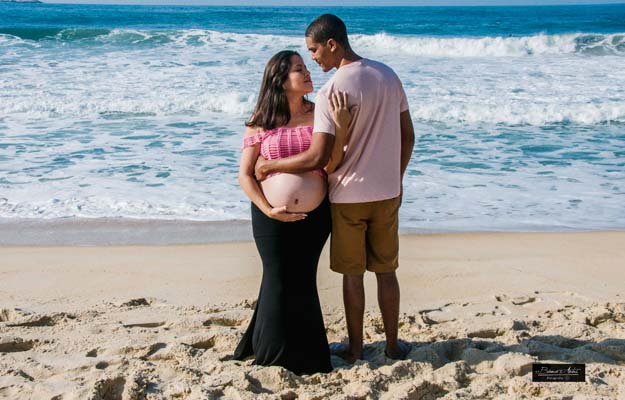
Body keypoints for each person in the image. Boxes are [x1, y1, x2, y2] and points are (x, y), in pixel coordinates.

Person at [254, 14, 416, 363]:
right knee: (387, 271)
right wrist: (397, 179)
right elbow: (409, 137)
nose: (312, 58)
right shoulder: (388, 75)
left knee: (352, 275)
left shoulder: (332, 91)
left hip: (346, 196)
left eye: (314, 50)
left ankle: (356, 350)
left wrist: (270, 165)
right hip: (387, 194)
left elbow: (319, 156)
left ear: (332, 44)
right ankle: (391, 346)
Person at [233, 50, 351, 375]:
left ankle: (310, 356)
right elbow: (245, 174)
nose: (308, 72)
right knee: (276, 277)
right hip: (270, 216)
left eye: (305, 67)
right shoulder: (260, 122)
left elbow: (331, 164)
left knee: (302, 279)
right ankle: (271, 357)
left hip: (315, 218)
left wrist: (340, 129)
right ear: (281, 81)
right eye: (299, 70)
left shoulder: (320, 115)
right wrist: (268, 209)